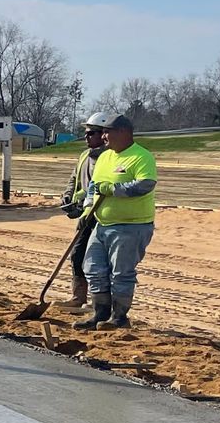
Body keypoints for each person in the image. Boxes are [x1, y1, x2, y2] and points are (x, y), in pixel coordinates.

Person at [76, 112, 158, 330]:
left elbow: (144, 185)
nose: (103, 137)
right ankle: (99, 314)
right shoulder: (105, 157)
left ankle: (119, 317)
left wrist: (113, 189)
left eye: (106, 132)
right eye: (101, 132)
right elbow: (94, 187)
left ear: (123, 133)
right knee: (93, 268)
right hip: (102, 224)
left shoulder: (141, 156)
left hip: (131, 226)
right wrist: (87, 210)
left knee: (121, 273)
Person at [60, 114, 111, 310]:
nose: (87, 137)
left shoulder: (108, 158)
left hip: (100, 215)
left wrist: (86, 207)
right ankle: (78, 297)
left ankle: (99, 302)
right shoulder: (84, 155)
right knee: (78, 254)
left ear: (103, 134)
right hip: (85, 214)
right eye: (86, 133)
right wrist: (67, 196)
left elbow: (98, 188)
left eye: (91, 133)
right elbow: (74, 179)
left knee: (96, 259)